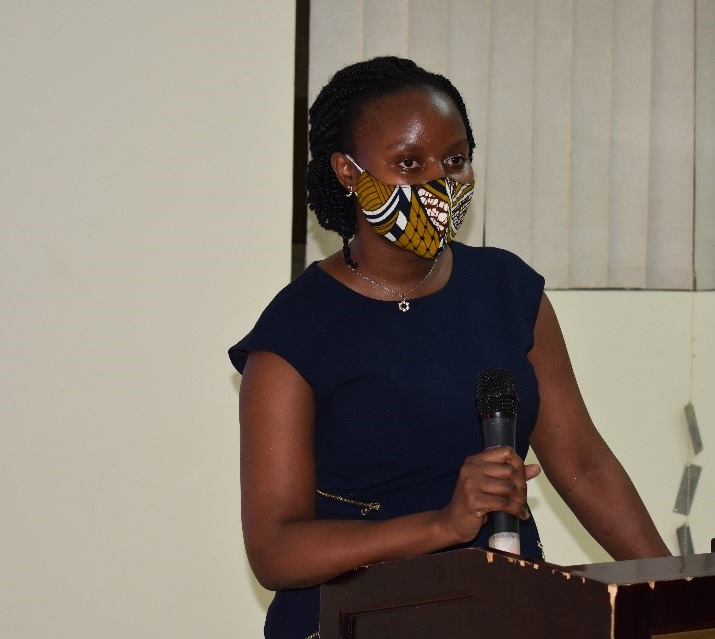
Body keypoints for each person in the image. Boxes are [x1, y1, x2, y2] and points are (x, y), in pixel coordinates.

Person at [229, 56, 670, 639]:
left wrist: (677, 597)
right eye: (410, 163)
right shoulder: (297, 330)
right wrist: (443, 525)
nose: (441, 181)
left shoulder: (508, 291)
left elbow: (584, 466)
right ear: (347, 172)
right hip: (353, 621)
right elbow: (276, 550)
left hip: (503, 611)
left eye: (455, 160)